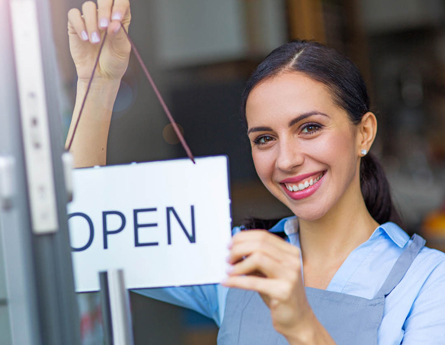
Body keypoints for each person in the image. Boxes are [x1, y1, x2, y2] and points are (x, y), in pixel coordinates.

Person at [67, 1, 445, 344]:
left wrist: (302, 325)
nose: (286, 160)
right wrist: (97, 82)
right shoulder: (237, 257)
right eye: (264, 138)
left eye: (309, 128)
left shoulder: (428, 282)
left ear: (364, 132)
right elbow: (84, 234)